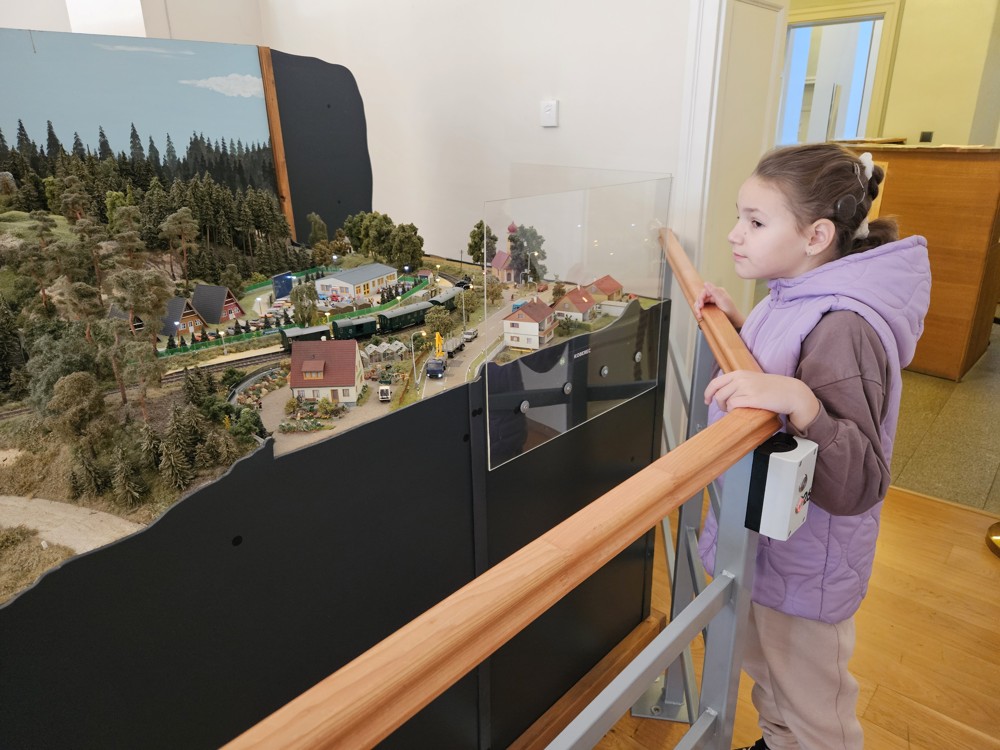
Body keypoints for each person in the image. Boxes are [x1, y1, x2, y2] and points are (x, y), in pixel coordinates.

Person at [694, 143, 931, 750]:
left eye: (755, 222)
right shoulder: (791, 293)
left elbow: (858, 480)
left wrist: (800, 400)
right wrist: (740, 327)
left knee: (815, 711)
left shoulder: (844, 326)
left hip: (807, 564)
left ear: (817, 236)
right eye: (740, 217)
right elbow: (787, 363)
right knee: (772, 680)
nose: (735, 234)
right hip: (772, 545)